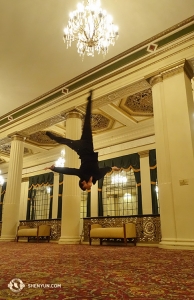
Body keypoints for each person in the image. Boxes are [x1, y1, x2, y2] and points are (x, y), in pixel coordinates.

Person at [45, 90, 120, 190]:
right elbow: (105, 169)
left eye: (86, 187)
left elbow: (69, 171)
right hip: (89, 146)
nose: (89, 187)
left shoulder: (81, 174)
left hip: (81, 150)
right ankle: (89, 100)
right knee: (87, 123)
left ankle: (51, 136)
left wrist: (55, 169)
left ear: (83, 183)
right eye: (87, 187)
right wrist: (112, 168)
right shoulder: (96, 176)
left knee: (65, 141)